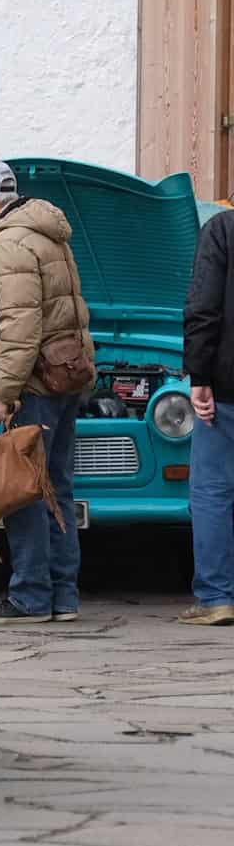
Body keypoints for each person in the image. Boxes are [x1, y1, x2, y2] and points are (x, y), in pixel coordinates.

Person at [0, 161, 95, 626]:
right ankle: (63, 595)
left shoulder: (7, 245)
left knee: (23, 488)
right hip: (65, 376)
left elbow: (21, 326)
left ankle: (31, 596)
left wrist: (1, 391)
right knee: (58, 486)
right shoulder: (46, 232)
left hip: (33, 384)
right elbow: (40, 317)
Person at [179, 206, 234, 625]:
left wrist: (200, 375)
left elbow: (204, 307)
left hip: (228, 386)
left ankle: (216, 598)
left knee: (213, 491)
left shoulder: (222, 229)